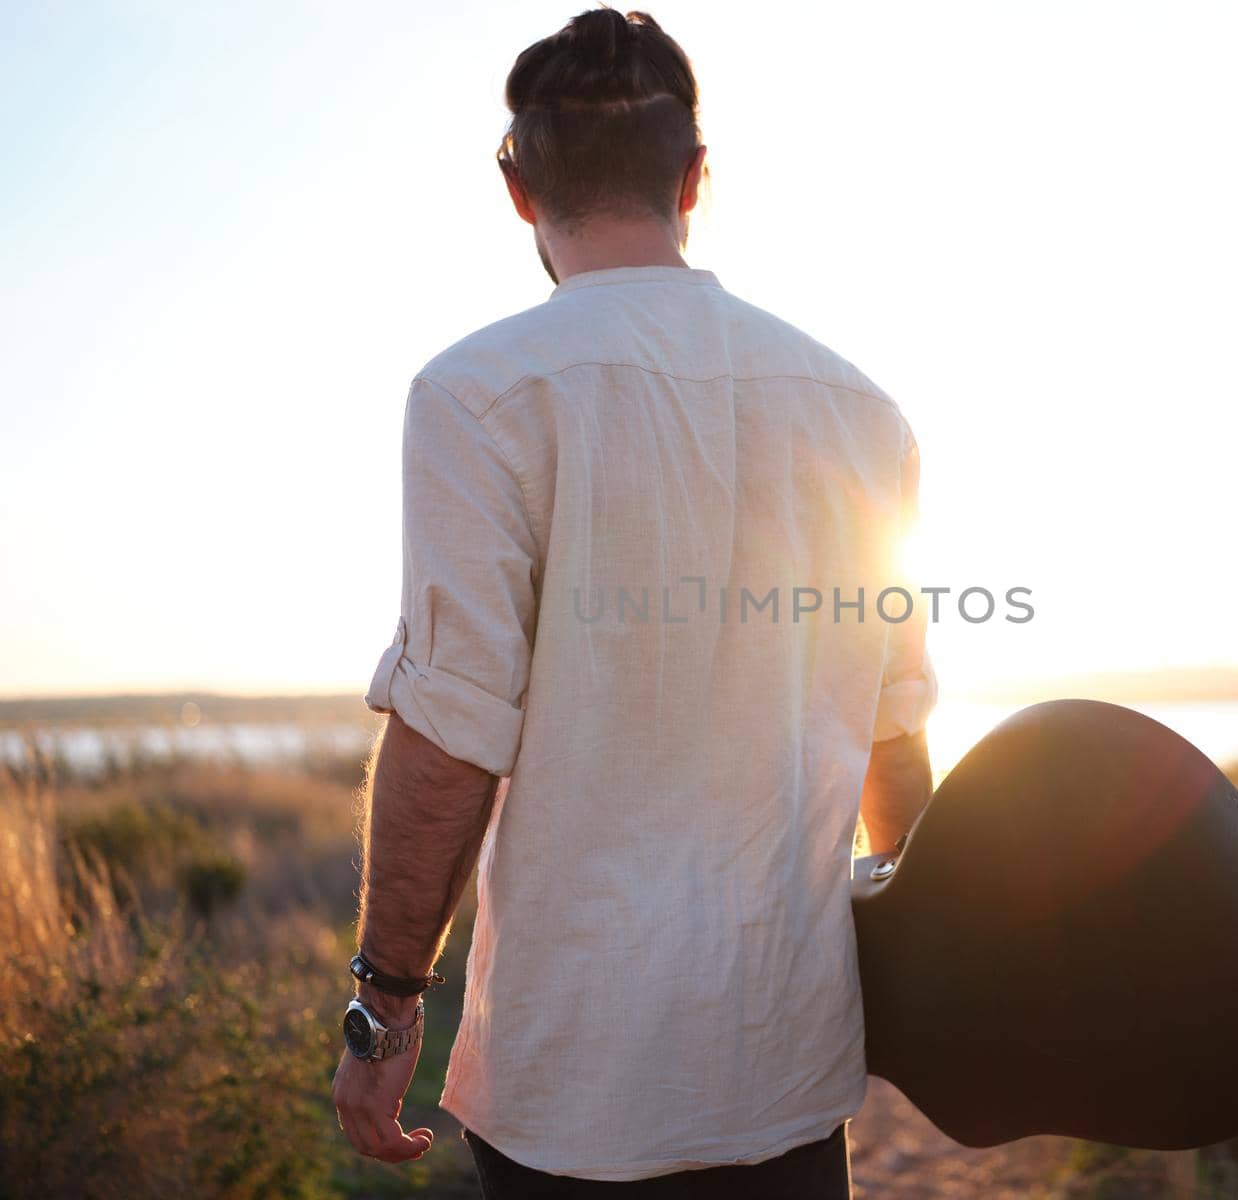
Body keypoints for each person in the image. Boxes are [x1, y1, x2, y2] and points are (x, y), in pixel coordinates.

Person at [331, 9, 937, 1197]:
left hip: (575, 1086)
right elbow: (893, 741)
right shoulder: (859, 410)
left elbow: (452, 736)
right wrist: (937, 991)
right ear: (694, 177)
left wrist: (384, 1010)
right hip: (786, 1069)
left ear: (517, 188)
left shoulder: (478, 396)